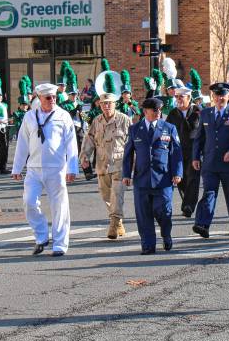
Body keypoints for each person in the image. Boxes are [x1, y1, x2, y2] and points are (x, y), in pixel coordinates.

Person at [12, 83, 79, 257]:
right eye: (48, 98)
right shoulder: (29, 117)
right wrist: (17, 167)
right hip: (34, 168)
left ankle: (60, 244)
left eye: (54, 97)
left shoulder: (63, 116)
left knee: (60, 206)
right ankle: (41, 237)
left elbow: (71, 143)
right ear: (39, 98)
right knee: (29, 202)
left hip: (56, 168)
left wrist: (72, 168)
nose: (52, 100)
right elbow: (22, 143)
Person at [122, 97, 183, 254]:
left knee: (163, 211)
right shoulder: (135, 129)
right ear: (145, 111)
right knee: (143, 214)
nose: (158, 113)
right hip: (142, 179)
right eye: (155, 110)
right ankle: (148, 245)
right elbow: (128, 153)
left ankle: (166, 234)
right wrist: (126, 174)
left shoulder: (169, 128)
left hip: (163, 178)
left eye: (159, 110)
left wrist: (177, 172)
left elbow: (176, 153)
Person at [191, 82, 229, 237]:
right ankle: (202, 224)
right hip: (210, 162)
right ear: (213, 96)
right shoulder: (205, 113)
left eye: (222, 95)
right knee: (208, 193)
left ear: (228, 96)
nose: (219, 98)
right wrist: (195, 157)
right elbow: (199, 138)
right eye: (216, 95)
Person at [80, 76, 132, 240]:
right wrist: (85, 156)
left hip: (119, 164)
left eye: (109, 103)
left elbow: (132, 144)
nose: (107, 106)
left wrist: (133, 165)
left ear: (115, 104)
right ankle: (119, 222)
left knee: (117, 195)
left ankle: (113, 227)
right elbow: (89, 140)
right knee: (106, 196)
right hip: (102, 165)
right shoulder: (97, 121)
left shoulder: (124, 120)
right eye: (104, 103)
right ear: (100, 105)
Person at [165, 85, 201, 217]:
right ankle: (187, 201)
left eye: (181, 97)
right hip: (177, 151)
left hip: (193, 151)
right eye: (177, 97)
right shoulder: (173, 113)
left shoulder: (198, 111)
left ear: (189, 98)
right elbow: (167, 130)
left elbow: (199, 131)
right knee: (180, 179)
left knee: (193, 178)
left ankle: (188, 206)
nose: (179, 99)